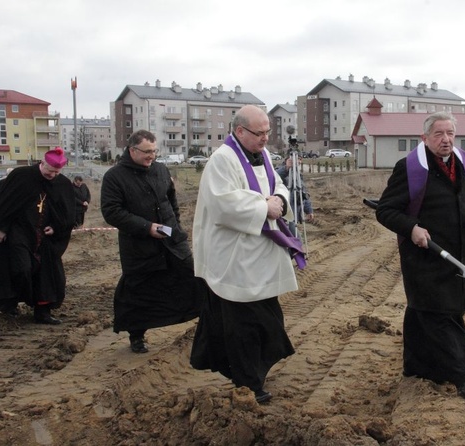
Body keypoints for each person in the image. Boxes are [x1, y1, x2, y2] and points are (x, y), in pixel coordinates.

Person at [190, 105, 305, 404]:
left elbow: (276, 184)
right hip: (234, 256)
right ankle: (249, 382)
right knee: (241, 325)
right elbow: (223, 204)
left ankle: (256, 372)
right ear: (239, 131)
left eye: (268, 132)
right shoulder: (222, 161)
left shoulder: (263, 155)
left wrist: (279, 198)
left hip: (260, 253)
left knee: (267, 318)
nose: (266, 138)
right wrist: (262, 207)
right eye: (260, 133)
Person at [375, 112, 465, 401]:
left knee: (421, 311)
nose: (446, 139)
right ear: (424, 138)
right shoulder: (410, 168)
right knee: (443, 315)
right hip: (425, 257)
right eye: (438, 134)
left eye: (450, 133)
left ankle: (417, 367)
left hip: (460, 253)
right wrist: (411, 227)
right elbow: (386, 210)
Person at [100, 130, 204, 353]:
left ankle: (207, 322)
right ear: (132, 150)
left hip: (172, 241)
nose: (152, 156)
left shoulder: (160, 169)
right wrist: (146, 227)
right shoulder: (114, 177)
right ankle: (137, 335)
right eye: (147, 152)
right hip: (139, 247)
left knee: (191, 277)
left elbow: (170, 200)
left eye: (154, 151)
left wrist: (175, 226)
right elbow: (112, 212)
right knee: (139, 292)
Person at [0, 148, 76, 323]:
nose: (52, 175)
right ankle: (11, 302)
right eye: (49, 171)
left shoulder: (61, 183)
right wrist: (1, 228)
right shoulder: (21, 176)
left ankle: (43, 312)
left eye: (56, 172)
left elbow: (67, 213)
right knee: (21, 269)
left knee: (49, 274)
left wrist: (56, 228)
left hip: (45, 236)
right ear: (42, 163)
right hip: (20, 232)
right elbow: (4, 203)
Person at [275, 154, 314, 223]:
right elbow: (274, 178)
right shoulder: (280, 170)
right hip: (284, 216)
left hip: (295, 214)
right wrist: (286, 168)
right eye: (297, 159)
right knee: (294, 234)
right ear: (289, 159)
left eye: (300, 159)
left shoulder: (297, 174)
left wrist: (309, 210)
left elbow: (303, 193)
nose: (299, 162)